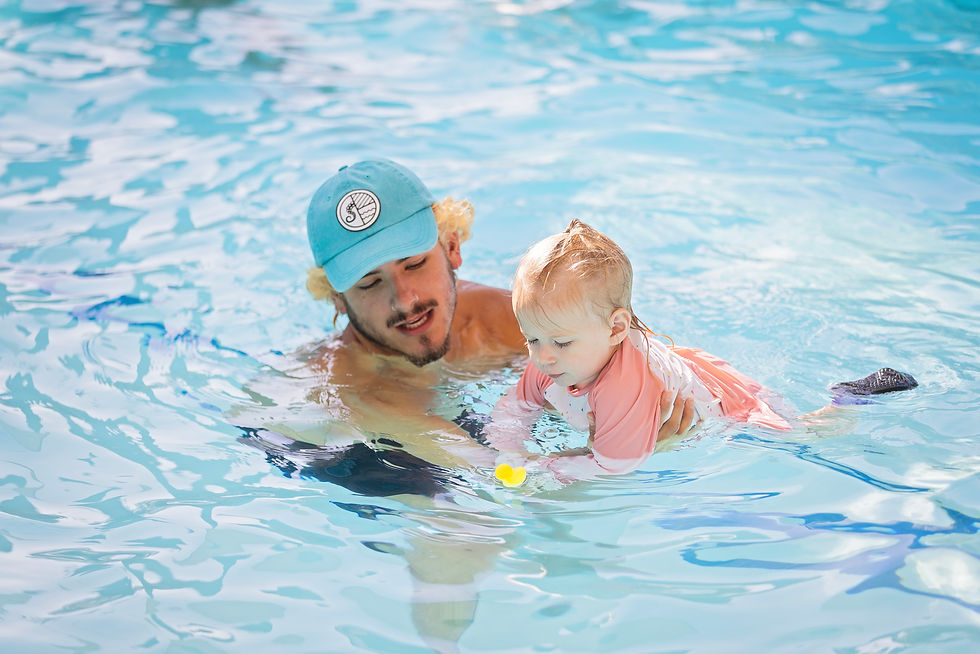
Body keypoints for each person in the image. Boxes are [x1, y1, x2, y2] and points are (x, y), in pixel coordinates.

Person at [296, 159, 696, 471]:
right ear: (336, 298)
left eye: (414, 263)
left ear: (452, 246)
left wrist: (636, 416)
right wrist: (600, 453)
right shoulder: (357, 388)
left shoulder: (511, 321)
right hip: (359, 459)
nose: (405, 299)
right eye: (369, 283)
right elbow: (491, 474)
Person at [486, 219, 917, 482]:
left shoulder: (622, 379)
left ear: (616, 328)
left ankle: (849, 399)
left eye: (560, 342)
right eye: (532, 339)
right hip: (686, 369)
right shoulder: (552, 353)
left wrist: (544, 468)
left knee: (802, 437)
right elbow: (516, 407)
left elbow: (614, 466)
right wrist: (507, 453)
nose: (542, 357)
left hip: (726, 407)